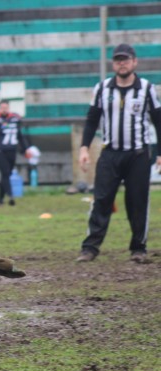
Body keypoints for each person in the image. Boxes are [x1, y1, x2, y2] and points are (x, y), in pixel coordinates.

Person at [76, 43, 161, 264]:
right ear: (113, 63)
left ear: (134, 62)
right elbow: (91, 119)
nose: (121, 63)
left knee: (137, 201)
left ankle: (138, 248)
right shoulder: (102, 89)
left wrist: (160, 152)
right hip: (110, 153)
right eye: (117, 60)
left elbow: (159, 122)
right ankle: (90, 248)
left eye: (125, 59)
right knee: (101, 200)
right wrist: (84, 147)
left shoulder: (146, 88)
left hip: (138, 155)